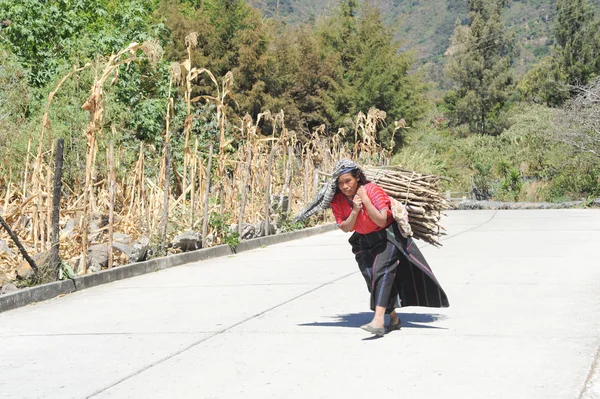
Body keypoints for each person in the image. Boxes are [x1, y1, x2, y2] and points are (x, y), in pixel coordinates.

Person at [296, 159, 449, 337]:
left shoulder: (373, 190)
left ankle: (377, 321)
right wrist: (354, 210)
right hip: (364, 240)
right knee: (372, 280)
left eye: (348, 181)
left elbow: (382, 220)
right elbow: (346, 228)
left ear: (358, 178)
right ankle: (393, 318)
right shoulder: (338, 201)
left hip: (388, 236)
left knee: (381, 272)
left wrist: (366, 201)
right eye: (341, 183)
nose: (345, 186)